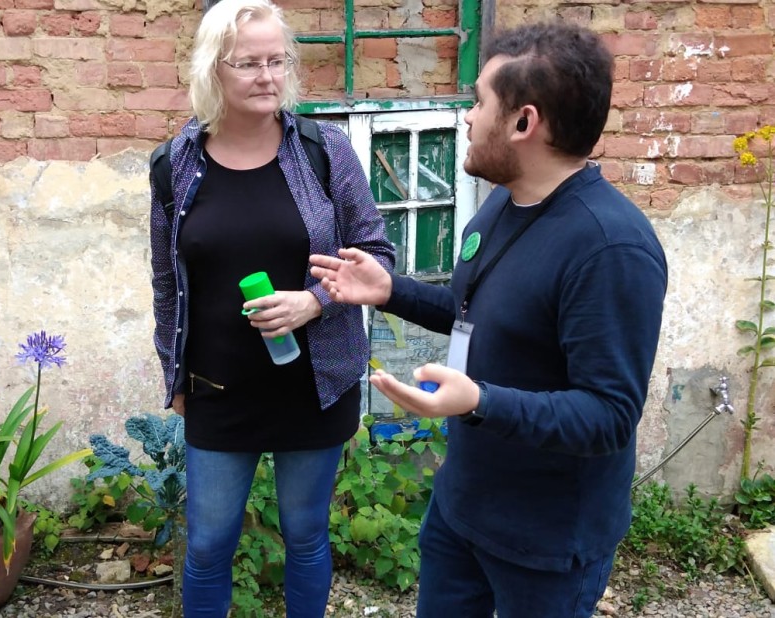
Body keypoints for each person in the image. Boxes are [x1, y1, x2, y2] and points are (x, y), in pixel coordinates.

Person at [309, 21, 667, 618]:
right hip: (463, 507)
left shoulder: (610, 250)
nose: (468, 118)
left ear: (525, 122)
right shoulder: (504, 201)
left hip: (547, 540)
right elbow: (479, 318)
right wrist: (388, 290)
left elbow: (608, 415)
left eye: (479, 102)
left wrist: (477, 401)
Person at [147, 0, 394, 616]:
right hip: (218, 385)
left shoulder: (324, 151)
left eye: (277, 61)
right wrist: (171, 375)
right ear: (214, 71)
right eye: (248, 63)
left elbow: (376, 256)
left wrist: (313, 303)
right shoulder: (174, 165)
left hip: (313, 383)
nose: (267, 76)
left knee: (306, 536)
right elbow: (165, 282)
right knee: (207, 545)